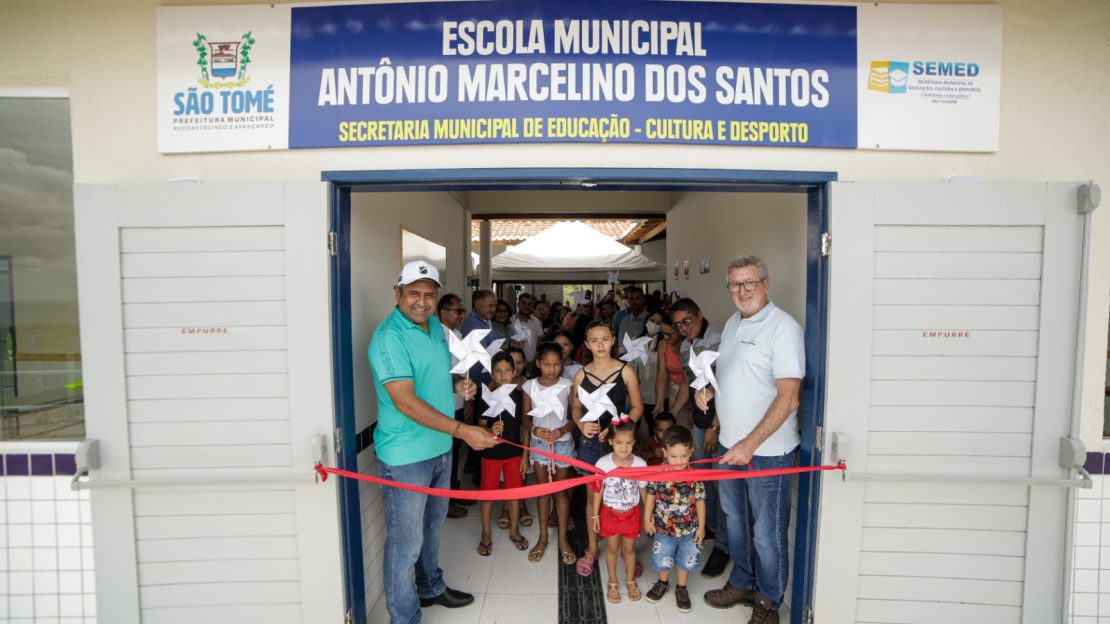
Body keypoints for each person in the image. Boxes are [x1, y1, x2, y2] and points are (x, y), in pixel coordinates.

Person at [367, 261, 496, 623]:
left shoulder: (437, 328)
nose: (421, 302)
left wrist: (457, 386)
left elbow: (434, 377)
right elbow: (405, 400)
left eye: (428, 294)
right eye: (413, 293)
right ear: (398, 294)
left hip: (440, 449)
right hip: (406, 456)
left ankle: (430, 587)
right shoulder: (388, 337)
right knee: (405, 545)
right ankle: (405, 617)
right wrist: (462, 431)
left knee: (431, 527)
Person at [700, 256, 804, 624]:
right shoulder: (732, 323)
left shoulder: (783, 328)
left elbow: (789, 397)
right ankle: (742, 581)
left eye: (749, 283)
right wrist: (708, 396)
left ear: (765, 284)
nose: (742, 291)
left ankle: (768, 602)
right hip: (730, 446)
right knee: (736, 522)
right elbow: (730, 378)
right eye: (735, 285)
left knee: (766, 532)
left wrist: (750, 444)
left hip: (767, 453)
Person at [571, 320, 643, 578]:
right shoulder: (580, 375)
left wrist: (618, 429)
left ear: (613, 340)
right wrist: (581, 426)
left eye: (605, 339)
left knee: (624, 498)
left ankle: (626, 549)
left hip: (619, 445)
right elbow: (576, 407)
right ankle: (593, 547)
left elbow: (637, 406)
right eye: (594, 340)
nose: (600, 344)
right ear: (587, 344)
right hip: (591, 446)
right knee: (593, 498)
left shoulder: (626, 371)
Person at [670, 298, 729, 578]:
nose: (684, 328)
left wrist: (714, 427)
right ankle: (711, 530)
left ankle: (724, 547)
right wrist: (674, 412)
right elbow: (688, 383)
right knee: (704, 483)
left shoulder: (719, 340)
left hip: (720, 425)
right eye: (678, 324)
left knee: (722, 489)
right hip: (700, 422)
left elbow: (728, 386)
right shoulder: (684, 346)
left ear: (700, 314)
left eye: (688, 321)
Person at [523, 341, 577, 565]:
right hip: (539, 443)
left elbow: (577, 417)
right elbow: (525, 418)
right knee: (543, 490)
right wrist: (535, 429)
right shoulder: (529, 386)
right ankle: (543, 536)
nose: (552, 369)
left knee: (561, 493)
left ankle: (563, 539)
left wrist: (563, 430)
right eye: (547, 364)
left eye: (556, 364)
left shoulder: (568, 385)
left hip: (562, 443)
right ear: (538, 363)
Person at [643, 425, 707, 613]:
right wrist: (647, 519)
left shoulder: (695, 477)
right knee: (663, 557)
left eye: (684, 456)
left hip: (689, 530)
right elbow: (650, 497)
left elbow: (701, 501)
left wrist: (702, 527)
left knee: (684, 560)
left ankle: (681, 588)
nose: (679, 461)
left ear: (691, 453)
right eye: (673, 456)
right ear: (664, 452)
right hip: (663, 529)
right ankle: (662, 583)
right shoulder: (658, 475)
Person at [474, 352, 530, 557]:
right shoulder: (486, 394)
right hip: (490, 454)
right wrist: (491, 430)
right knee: (487, 495)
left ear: (515, 372)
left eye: (508, 371)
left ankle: (514, 530)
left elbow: (524, 426)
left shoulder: (519, 394)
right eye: (498, 371)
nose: (503, 375)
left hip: (514, 453)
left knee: (514, 494)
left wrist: (525, 455)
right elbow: (480, 426)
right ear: (492, 373)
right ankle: (486, 533)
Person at [592, 417, 648, 604]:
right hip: (609, 514)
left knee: (629, 549)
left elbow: (644, 491)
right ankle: (613, 582)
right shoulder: (602, 464)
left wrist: (649, 517)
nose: (624, 447)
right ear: (610, 441)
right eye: (618, 443)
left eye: (628, 443)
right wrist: (595, 515)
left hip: (632, 514)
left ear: (634, 442)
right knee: (612, 548)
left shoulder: (640, 464)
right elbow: (598, 490)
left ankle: (630, 581)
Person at [436, 293, 472, 519]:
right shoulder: (438, 336)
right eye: (457, 311)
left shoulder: (457, 334)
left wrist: (468, 398)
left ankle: (454, 491)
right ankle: (445, 501)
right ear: (443, 312)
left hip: (459, 400)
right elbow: (442, 372)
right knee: (448, 453)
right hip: (445, 403)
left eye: (462, 311)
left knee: (456, 452)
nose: (461, 315)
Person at [630, 307, 663, 435]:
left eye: (659, 323)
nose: (654, 324)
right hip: (639, 390)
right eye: (652, 320)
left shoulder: (663, 343)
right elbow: (631, 365)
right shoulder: (636, 341)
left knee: (654, 427)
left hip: (658, 393)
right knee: (634, 425)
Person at [652, 316, 690, 426]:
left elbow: (689, 381)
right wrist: (659, 403)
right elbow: (661, 377)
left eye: (670, 334)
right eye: (663, 333)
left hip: (694, 392)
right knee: (676, 427)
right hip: (675, 390)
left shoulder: (690, 345)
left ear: (680, 330)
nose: (666, 337)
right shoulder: (663, 345)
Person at [512, 292, 543, 361]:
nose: (526, 306)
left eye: (529, 304)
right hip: (516, 363)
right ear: (518, 305)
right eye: (524, 303)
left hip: (533, 362)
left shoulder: (536, 321)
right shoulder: (511, 322)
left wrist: (536, 359)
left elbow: (539, 343)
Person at [616, 286, 648, 351]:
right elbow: (622, 347)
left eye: (638, 298)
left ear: (644, 299)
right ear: (629, 301)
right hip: (628, 359)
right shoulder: (624, 322)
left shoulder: (650, 319)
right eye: (632, 299)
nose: (635, 301)